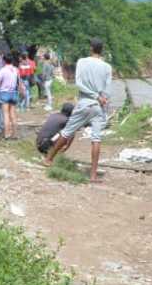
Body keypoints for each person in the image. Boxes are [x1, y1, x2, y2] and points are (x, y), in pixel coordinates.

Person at [43, 38, 112, 183]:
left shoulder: (82, 62)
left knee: (67, 131)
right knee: (96, 139)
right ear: (102, 50)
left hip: (85, 103)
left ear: (91, 48)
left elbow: (79, 84)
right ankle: (93, 176)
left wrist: (94, 96)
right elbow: (107, 90)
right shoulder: (107, 67)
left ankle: (49, 159)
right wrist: (102, 99)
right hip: (98, 107)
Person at [0, 53, 24, 139]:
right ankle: (15, 134)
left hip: (4, 93)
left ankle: (7, 134)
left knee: (6, 114)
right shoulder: (16, 69)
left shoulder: (3, 70)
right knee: (13, 114)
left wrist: (0, 85)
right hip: (14, 93)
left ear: (4, 61)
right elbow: (19, 82)